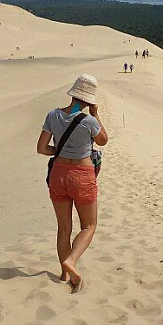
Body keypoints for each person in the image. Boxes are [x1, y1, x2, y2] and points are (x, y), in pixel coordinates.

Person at [36, 74, 108, 292]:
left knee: (64, 228)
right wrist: (96, 114)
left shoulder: (53, 115)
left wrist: (61, 151)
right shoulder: (90, 121)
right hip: (82, 176)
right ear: (88, 100)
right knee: (89, 226)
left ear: (74, 94)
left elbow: (41, 148)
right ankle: (72, 261)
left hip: (58, 175)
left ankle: (64, 274)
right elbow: (103, 140)